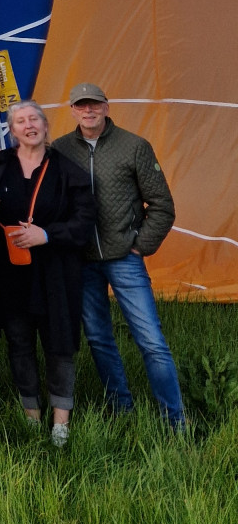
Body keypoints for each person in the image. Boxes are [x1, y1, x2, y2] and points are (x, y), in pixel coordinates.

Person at [0, 101, 94, 446]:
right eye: (20, 121)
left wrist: (46, 234)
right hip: (10, 272)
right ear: (13, 131)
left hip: (55, 273)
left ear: (46, 126)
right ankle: (31, 415)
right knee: (19, 342)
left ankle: (61, 423)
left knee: (58, 344)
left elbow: (84, 221)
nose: (29, 125)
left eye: (34, 119)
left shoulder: (66, 169)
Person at [52, 83, 184, 429]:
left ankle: (175, 422)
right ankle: (121, 411)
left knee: (151, 341)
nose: (88, 110)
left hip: (125, 257)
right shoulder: (60, 150)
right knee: (98, 338)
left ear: (107, 107)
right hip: (83, 260)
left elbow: (162, 204)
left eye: (94, 104)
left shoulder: (134, 146)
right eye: (81, 105)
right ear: (72, 110)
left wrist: (140, 245)